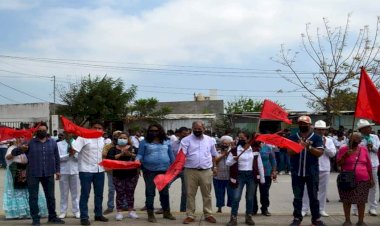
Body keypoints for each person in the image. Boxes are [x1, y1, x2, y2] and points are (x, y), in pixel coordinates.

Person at [11, 122, 64, 226]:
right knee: (33, 197)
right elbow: (14, 153)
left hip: (48, 173)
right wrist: (21, 149)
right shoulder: (29, 142)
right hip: (33, 173)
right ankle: (35, 219)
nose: (42, 132)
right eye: (40, 130)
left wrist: (58, 170)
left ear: (47, 130)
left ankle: (52, 217)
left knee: (50, 196)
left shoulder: (52, 142)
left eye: (44, 130)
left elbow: (56, 157)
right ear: (36, 131)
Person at [287, 116, 325, 226]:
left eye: (305, 123)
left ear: (310, 125)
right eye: (300, 123)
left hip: (312, 172)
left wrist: (309, 147)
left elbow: (320, 153)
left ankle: (316, 219)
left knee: (313, 196)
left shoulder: (317, 138)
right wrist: (299, 146)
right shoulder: (293, 137)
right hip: (296, 172)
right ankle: (297, 218)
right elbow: (289, 152)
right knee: (297, 196)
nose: (303, 125)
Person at [136, 123, 176, 223]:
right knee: (150, 192)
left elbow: (171, 156)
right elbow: (140, 154)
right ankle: (150, 214)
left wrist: (174, 167)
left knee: (164, 193)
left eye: (156, 131)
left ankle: (166, 212)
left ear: (160, 131)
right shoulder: (144, 142)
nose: (154, 133)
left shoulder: (167, 141)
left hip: (164, 170)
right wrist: (136, 161)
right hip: (149, 170)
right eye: (151, 131)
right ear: (148, 132)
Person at [181, 121, 218, 224]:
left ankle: (208, 214)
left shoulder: (210, 140)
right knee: (190, 194)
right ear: (192, 129)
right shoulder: (185, 140)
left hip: (206, 171)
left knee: (207, 194)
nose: (197, 130)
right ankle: (190, 215)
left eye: (199, 129)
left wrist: (215, 167)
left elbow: (214, 154)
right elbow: (181, 155)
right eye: (195, 129)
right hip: (190, 171)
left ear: (204, 128)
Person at [72, 121, 108, 226]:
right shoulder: (83, 137)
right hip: (85, 170)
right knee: (85, 194)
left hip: (99, 170)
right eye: (95, 127)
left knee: (99, 194)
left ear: (103, 130)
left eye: (99, 128)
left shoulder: (103, 140)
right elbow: (73, 151)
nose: (97, 130)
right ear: (90, 128)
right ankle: (84, 217)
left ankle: (98, 214)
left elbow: (105, 155)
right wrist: (71, 144)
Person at [225, 131, 265, 226]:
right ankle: (233, 218)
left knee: (250, 198)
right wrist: (233, 159)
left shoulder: (255, 150)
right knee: (236, 197)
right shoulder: (234, 150)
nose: (241, 139)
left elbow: (260, 165)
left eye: (243, 138)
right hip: (239, 176)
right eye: (239, 138)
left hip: (251, 176)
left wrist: (262, 179)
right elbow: (227, 163)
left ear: (248, 139)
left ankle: (249, 217)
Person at [3, 136, 48, 219]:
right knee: (18, 192)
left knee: (29, 192)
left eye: (22, 137)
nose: (20, 139)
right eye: (18, 137)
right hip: (15, 172)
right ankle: (18, 212)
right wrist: (17, 151)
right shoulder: (12, 148)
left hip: (26, 172)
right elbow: (7, 157)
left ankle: (31, 212)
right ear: (15, 139)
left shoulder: (27, 148)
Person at [337, 132, 373, 226]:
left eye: (356, 139)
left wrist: (371, 179)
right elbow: (338, 164)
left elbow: (369, 165)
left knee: (361, 201)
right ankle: (347, 220)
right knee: (346, 200)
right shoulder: (343, 149)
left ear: (360, 141)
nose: (354, 141)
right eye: (352, 139)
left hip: (363, 179)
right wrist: (345, 156)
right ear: (349, 139)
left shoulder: (364, 149)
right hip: (347, 178)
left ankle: (361, 221)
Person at [302, 120, 336, 217]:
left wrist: (324, 146)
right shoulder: (309, 139)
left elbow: (333, 154)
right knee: (307, 189)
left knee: (323, 189)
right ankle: (305, 208)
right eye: (318, 129)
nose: (321, 131)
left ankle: (321, 209)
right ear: (314, 129)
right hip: (311, 167)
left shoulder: (329, 140)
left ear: (325, 130)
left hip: (324, 168)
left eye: (322, 129)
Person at [106, 132, 139, 221]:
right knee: (120, 193)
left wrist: (130, 154)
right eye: (121, 138)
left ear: (128, 139)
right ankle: (119, 212)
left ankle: (131, 211)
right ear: (117, 139)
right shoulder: (113, 149)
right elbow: (109, 159)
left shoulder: (133, 148)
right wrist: (120, 154)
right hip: (118, 174)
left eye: (125, 138)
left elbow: (139, 157)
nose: (122, 139)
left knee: (130, 192)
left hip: (132, 174)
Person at [352, 119, 380, 216]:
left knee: (373, 186)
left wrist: (372, 147)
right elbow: (354, 149)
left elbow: (377, 149)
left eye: (370, 127)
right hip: (360, 165)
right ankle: (356, 208)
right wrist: (364, 145)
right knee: (358, 186)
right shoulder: (357, 138)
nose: (370, 128)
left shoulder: (375, 137)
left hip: (373, 164)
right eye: (368, 127)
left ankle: (372, 207)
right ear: (362, 129)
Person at [57, 132, 80, 219]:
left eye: (70, 133)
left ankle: (76, 211)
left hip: (75, 171)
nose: (68, 135)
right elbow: (58, 157)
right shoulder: (59, 144)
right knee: (64, 193)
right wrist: (68, 155)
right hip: (63, 171)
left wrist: (75, 154)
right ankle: (63, 211)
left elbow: (81, 157)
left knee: (76, 193)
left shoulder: (77, 143)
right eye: (66, 133)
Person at [253, 141, 277, 216]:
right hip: (254, 173)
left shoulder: (268, 148)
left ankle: (264, 208)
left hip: (266, 173)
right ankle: (253, 209)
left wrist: (274, 171)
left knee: (264, 192)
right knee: (252, 192)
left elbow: (273, 160)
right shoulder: (251, 148)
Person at [102, 130, 122, 215]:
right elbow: (103, 157)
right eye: (116, 135)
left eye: (119, 135)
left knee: (121, 189)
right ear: (113, 136)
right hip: (111, 171)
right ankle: (110, 206)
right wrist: (106, 168)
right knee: (111, 189)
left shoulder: (124, 146)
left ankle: (122, 205)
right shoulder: (107, 146)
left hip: (122, 170)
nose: (117, 137)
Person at [171, 126, 190, 212]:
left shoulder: (191, 143)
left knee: (185, 192)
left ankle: (183, 210)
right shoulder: (174, 144)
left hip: (186, 170)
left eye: (187, 134)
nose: (186, 136)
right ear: (179, 134)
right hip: (175, 169)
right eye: (184, 134)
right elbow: (171, 155)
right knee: (165, 186)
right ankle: (164, 207)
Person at [213, 136, 234, 213]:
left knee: (231, 194)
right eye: (223, 143)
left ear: (229, 145)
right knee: (219, 194)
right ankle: (219, 208)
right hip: (218, 177)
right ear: (221, 144)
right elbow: (215, 161)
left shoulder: (232, 152)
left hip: (229, 177)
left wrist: (229, 154)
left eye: (226, 144)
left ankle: (232, 209)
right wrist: (223, 154)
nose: (224, 145)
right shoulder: (216, 152)